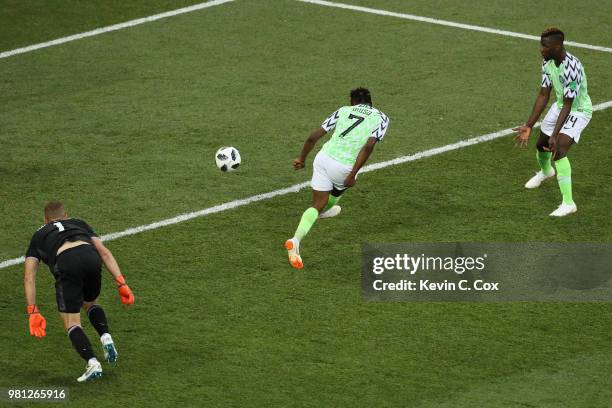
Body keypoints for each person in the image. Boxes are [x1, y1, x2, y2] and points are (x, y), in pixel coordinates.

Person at [24, 201, 135, 382]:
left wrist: (32, 310)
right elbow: (104, 252)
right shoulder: (79, 223)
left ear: (45, 220)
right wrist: (121, 282)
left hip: (66, 261)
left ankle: (92, 362)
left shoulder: (39, 234)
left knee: (71, 321)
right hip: (90, 256)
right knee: (90, 302)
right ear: (66, 215)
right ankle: (105, 337)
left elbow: (29, 276)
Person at [285, 87, 389, 268]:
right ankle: (322, 212)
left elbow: (314, 136)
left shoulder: (343, 111)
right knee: (335, 193)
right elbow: (369, 146)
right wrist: (353, 173)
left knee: (316, 204)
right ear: (369, 101)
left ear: (353, 101)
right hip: (343, 165)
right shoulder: (382, 118)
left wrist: (301, 159)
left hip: (322, 158)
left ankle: (296, 240)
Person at [514, 27, 592, 217]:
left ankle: (568, 203)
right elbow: (543, 94)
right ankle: (546, 172)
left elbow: (569, 103)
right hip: (560, 105)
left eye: (545, 46)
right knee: (541, 145)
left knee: (559, 150)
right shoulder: (548, 61)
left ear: (557, 47)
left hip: (578, 110)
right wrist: (529, 125)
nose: (541, 49)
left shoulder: (572, 67)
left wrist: (556, 135)